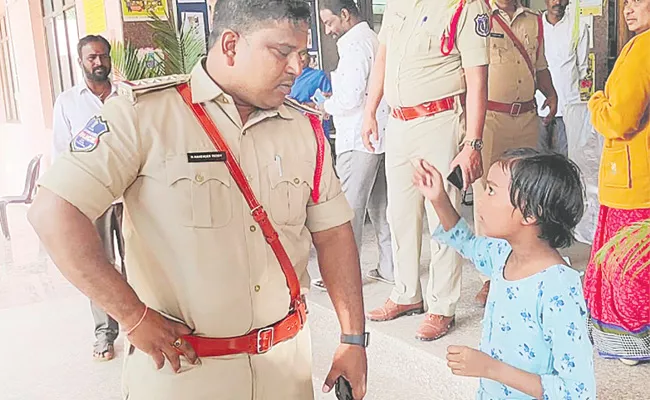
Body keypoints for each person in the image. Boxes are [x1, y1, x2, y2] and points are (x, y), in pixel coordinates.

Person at [28, 1, 369, 399]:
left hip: (285, 374)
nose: (297, 67)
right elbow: (53, 212)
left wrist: (353, 337)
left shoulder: (303, 129)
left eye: (303, 54)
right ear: (230, 46)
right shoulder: (144, 117)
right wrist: (132, 317)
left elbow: (333, 234)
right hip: (184, 375)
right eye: (282, 52)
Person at [414, 148, 596, 399]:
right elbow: (466, 242)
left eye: (491, 190)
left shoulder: (558, 289)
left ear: (530, 213)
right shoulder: (502, 255)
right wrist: (439, 198)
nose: (482, 197)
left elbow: (577, 391)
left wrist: (489, 368)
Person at [362, 0, 490, 341]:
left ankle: (441, 306)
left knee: (441, 214)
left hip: (440, 121)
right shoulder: (397, 4)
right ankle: (406, 294)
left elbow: (478, 80)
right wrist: (369, 110)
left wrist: (472, 144)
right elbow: (383, 59)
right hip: (398, 124)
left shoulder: (465, 6)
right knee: (399, 214)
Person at [473, 0, 559, 307]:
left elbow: (539, 65)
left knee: (525, 195)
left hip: (525, 117)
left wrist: (550, 92)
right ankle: (489, 276)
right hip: (490, 119)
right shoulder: (476, 15)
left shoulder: (533, 21)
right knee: (489, 194)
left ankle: (525, 265)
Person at [584, 0, 650, 367]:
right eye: (626, 1)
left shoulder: (642, 48)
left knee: (628, 267)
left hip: (632, 181)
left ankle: (633, 344)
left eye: (640, 1)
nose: (629, 8)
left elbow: (618, 120)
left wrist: (597, 101)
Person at [51, 34, 125, 362]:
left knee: (142, 263)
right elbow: (61, 153)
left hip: (132, 197)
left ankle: (143, 326)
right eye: (91, 57)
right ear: (80, 62)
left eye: (103, 56)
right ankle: (104, 333)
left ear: (110, 59)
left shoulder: (127, 96)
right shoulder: (68, 102)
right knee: (99, 267)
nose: (98, 62)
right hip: (92, 199)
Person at [311, 0, 393, 291]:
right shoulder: (372, 39)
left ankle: (345, 277)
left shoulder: (355, 45)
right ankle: (389, 267)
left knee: (348, 210)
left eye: (329, 21)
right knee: (381, 207)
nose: (327, 28)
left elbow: (350, 97)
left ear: (345, 15)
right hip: (379, 136)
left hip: (359, 139)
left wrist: (326, 105)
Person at [535, 0, 589, 156]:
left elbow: (582, 68)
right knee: (538, 159)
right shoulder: (535, 25)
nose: (557, 2)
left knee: (565, 158)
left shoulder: (578, 27)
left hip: (567, 106)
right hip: (539, 104)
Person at [289, 51, 333, 139]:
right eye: (299, 55)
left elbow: (330, 99)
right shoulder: (286, 77)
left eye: (304, 54)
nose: (302, 58)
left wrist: (308, 105)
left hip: (314, 123)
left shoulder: (318, 75)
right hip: (292, 124)